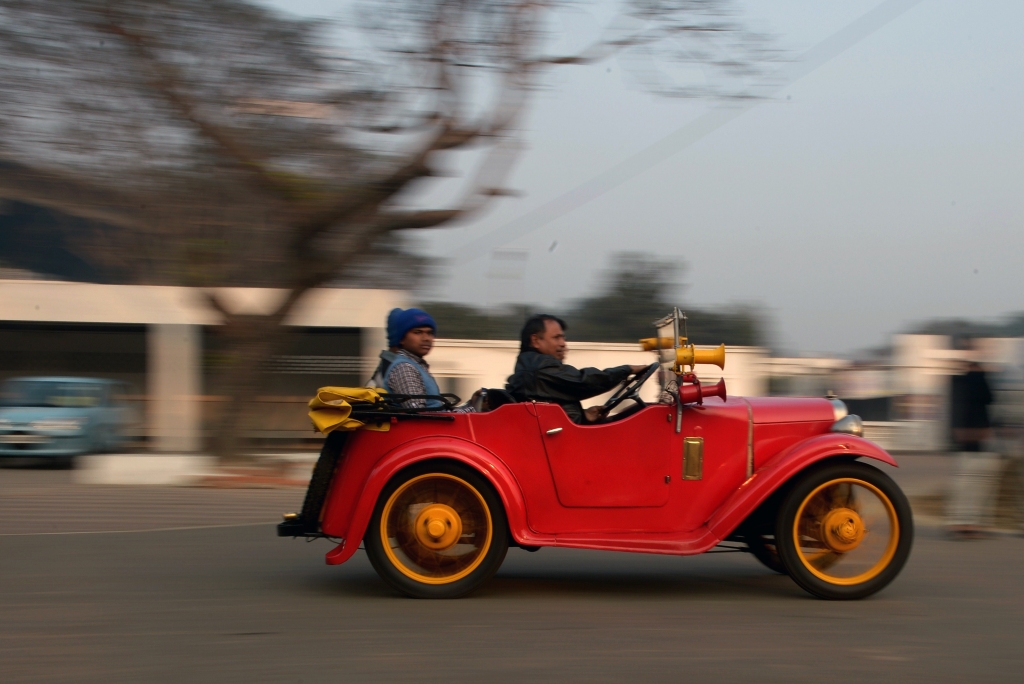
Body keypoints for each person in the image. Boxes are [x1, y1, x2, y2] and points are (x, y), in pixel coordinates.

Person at [505, 314, 648, 424]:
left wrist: (583, 415)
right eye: (556, 338)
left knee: (636, 412)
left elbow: (551, 407)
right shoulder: (538, 368)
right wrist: (627, 370)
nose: (563, 344)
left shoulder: (531, 365)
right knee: (645, 414)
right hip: (565, 442)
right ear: (536, 341)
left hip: (564, 436)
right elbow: (583, 382)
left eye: (563, 338)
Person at [369, 307, 474, 412]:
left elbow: (436, 413)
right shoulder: (404, 368)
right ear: (401, 339)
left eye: (429, 333)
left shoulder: (416, 365)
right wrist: (472, 409)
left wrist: (472, 404)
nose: (426, 338)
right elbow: (421, 416)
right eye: (418, 332)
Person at [946, 360, 999, 538]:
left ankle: (962, 523)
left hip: (968, 441)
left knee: (965, 484)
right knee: (975, 485)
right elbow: (990, 399)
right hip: (977, 440)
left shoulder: (961, 383)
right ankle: (968, 523)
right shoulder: (978, 381)